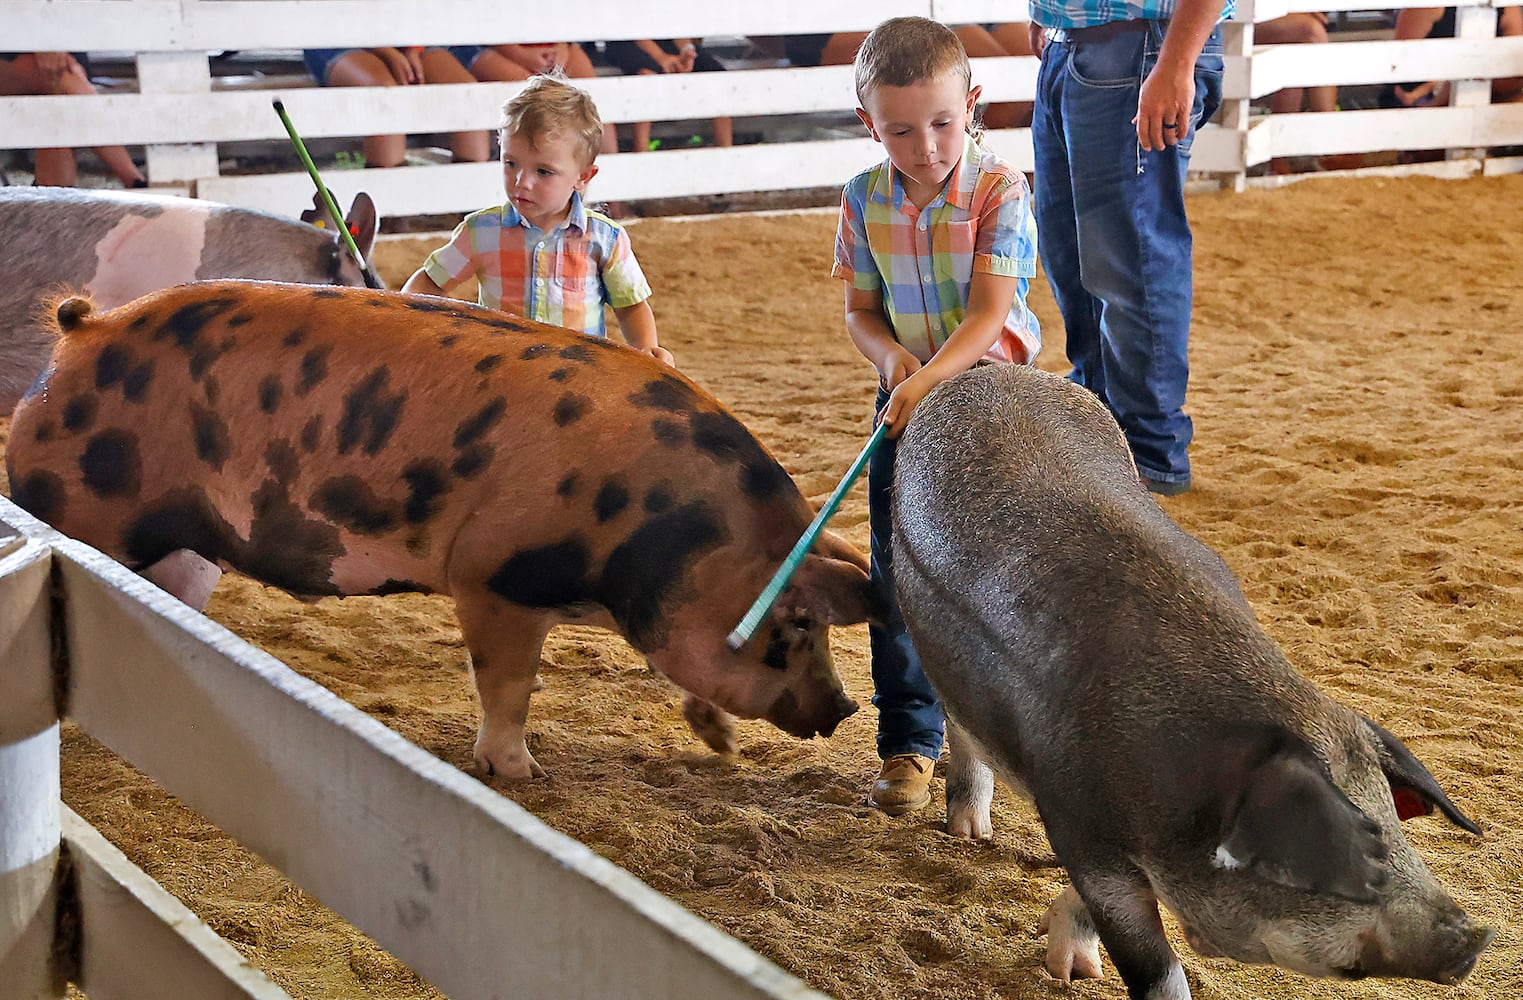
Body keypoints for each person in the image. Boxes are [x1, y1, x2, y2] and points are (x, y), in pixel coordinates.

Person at [832, 17, 1041, 815]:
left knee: (998, 577)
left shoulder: (998, 189)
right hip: (906, 390)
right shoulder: (861, 197)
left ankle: (1001, 740)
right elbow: (859, 310)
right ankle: (908, 744)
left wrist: (927, 380)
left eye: (943, 123)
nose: (925, 146)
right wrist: (891, 364)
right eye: (899, 130)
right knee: (896, 570)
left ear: (973, 105)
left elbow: (990, 315)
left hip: (990, 394)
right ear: (869, 125)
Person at [1027, 0, 1230, 495]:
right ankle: (1101, 430)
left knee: (1129, 258)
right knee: (1070, 252)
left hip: (1143, 45)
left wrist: (1177, 63)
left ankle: (1150, 450)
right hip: (1079, 41)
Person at [402, 73, 671, 364]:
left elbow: (630, 305)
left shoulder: (605, 238)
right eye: (511, 163)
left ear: (583, 177)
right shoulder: (480, 232)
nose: (522, 182)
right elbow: (431, 282)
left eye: (543, 171)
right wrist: (404, 317)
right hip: (502, 372)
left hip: (578, 375)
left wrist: (647, 351)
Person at [301, 47, 492, 167]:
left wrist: (413, 49)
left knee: (467, 93)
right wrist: (388, 51)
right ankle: (388, 215)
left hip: (412, 37)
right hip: (341, 36)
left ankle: (472, 215)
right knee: (384, 94)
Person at [0, 52, 148, 188]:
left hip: (67, 65)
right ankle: (134, 181)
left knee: (59, 90)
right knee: (60, 77)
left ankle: (51, 204)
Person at [600, 39, 733, 151]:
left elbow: (677, 22)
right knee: (647, 76)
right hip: (627, 41)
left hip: (667, 42)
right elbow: (630, 25)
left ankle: (726, 151)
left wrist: (687, 50)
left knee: (717, 75)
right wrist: (660, 56)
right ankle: (642, 154)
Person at [1380, 7, 1523, 109]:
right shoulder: (1426, 7)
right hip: (1420, 90)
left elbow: (1513, 62)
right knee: (1464, 85)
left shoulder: (1505, 6)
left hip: (1482, 85)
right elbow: (1403, 65)